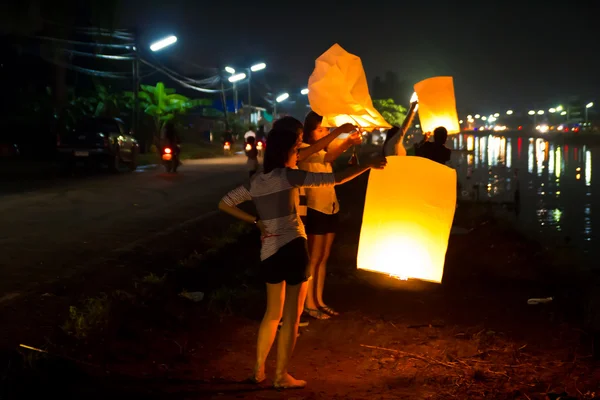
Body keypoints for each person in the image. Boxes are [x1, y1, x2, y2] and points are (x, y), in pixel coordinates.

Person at [218, 128, 386, 389]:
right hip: (294, 248)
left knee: (272, 313)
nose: (299, 153)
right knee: (293, 315)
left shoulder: (258, 180)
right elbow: (336, 179)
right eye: (296, 148)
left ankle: (258, 370)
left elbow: (224, 203)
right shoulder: (290, 176)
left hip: (269, 250)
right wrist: (368, 165)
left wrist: (255, 221)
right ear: (287, 151)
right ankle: (281, 376)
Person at [298, 111, 363, 320]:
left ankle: (319, 300)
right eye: (320, 129)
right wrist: (338, 133)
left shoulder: (320, 152)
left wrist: (348, 140)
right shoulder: (302, 150)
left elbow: (329, 155)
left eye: (326, 129)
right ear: (309, 132)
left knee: (323, 258)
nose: (325, 132)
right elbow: (318, 151)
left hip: (330, 206)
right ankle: (308, 304)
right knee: (313, 259)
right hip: (315, 207)